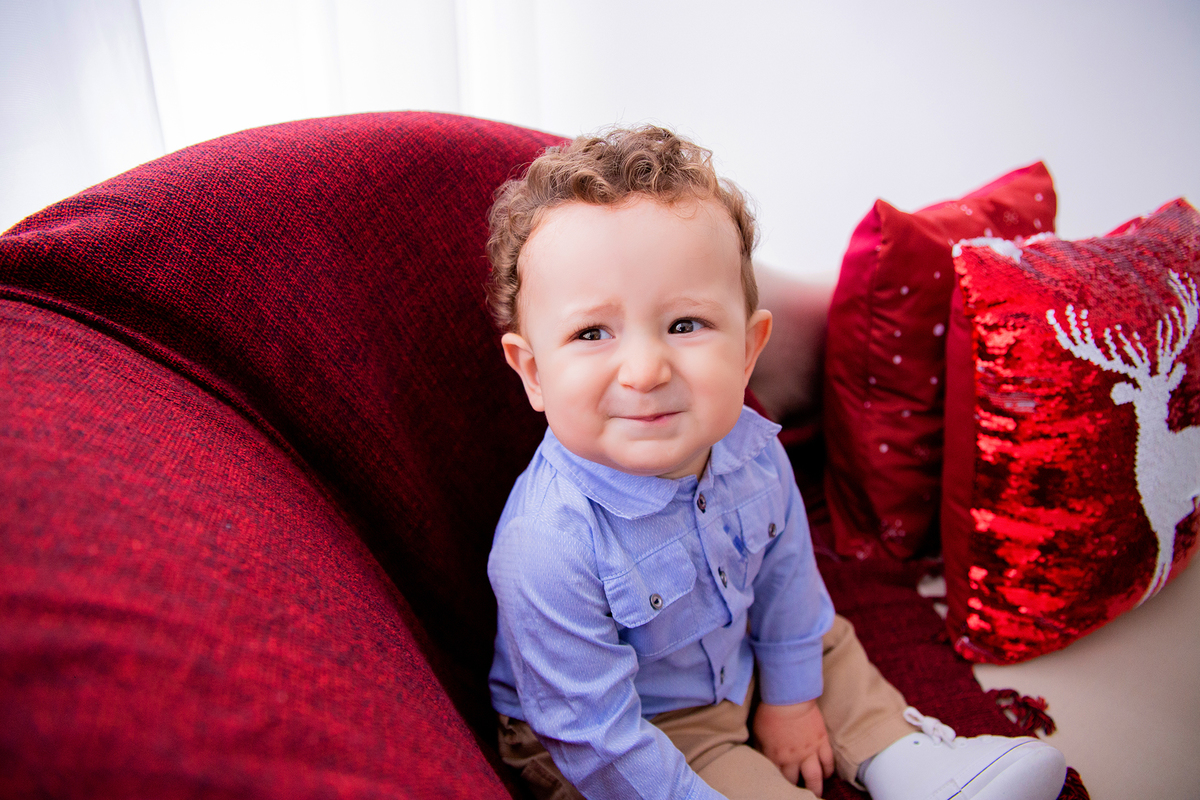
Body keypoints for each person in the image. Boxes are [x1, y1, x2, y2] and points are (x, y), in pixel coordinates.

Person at [483, 125, 1067, 800]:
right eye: (592, 333)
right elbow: (595, 740)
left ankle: (913, 762)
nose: (644, 370)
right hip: (632, 724)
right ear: (532, 372)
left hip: (738, 647)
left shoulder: (755, 453)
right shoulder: (547, 545)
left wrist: (790, 698)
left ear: (749, 348)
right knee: (710, 768)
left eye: (685, 324)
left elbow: (788, 582)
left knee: (825, 641)